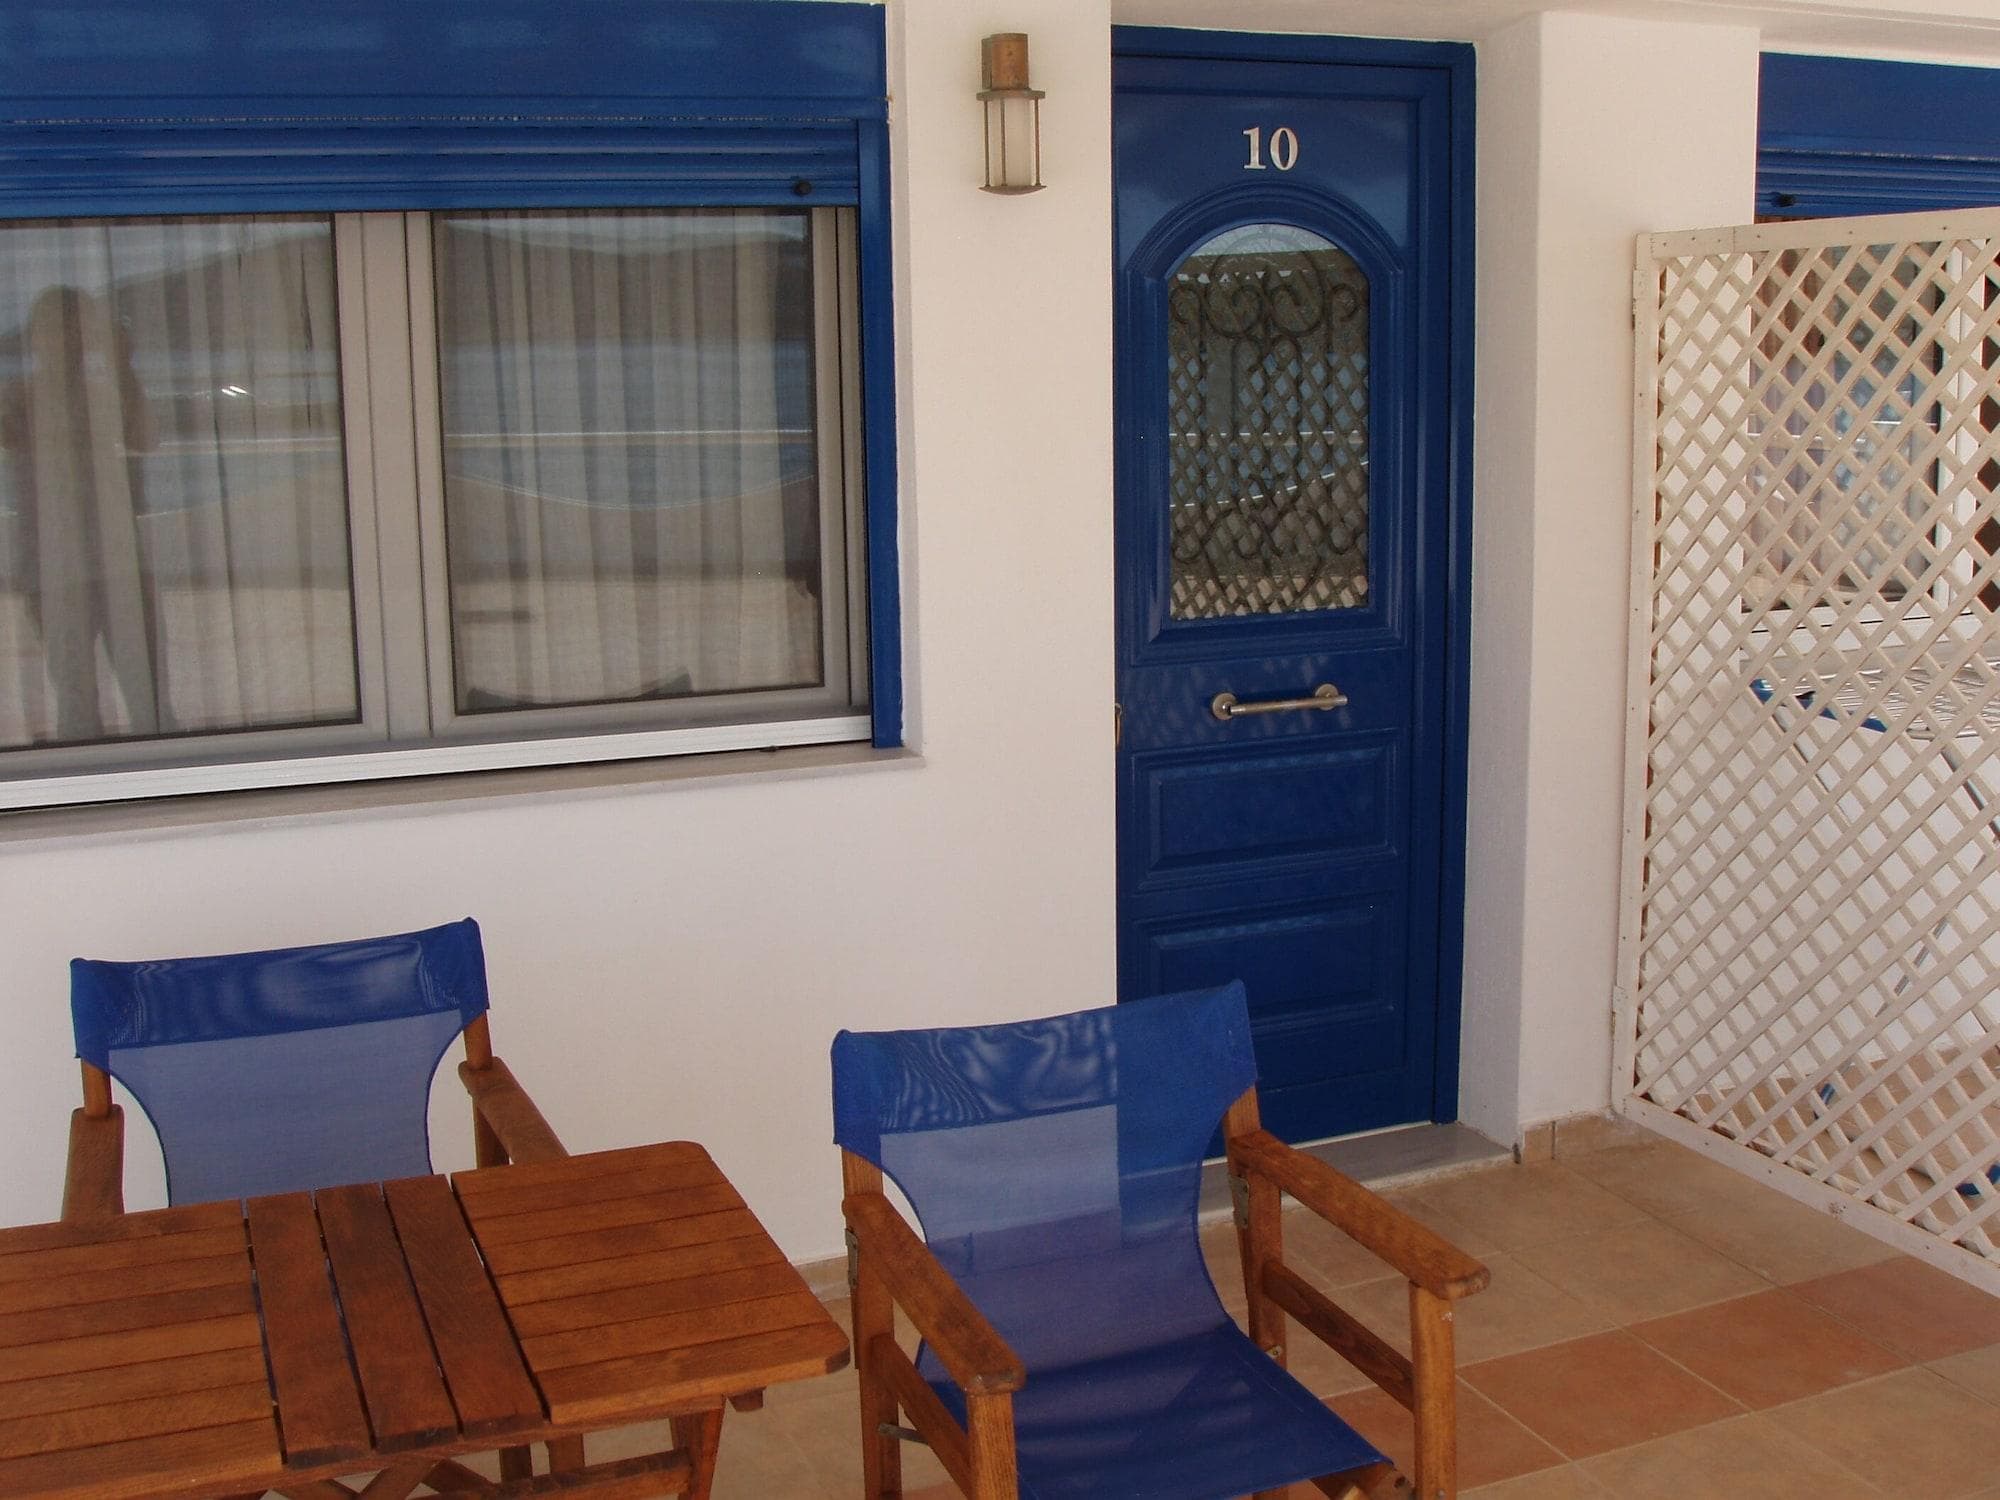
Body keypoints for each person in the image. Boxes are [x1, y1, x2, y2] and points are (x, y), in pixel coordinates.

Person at [0, 284, 162, 743]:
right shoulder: (19, 397)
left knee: (147, 694)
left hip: (118, 563)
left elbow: (147, 440)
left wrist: (124, 367)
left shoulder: (106, 392)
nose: (69, 343)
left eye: (79, 331)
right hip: (56, 569)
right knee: (76, 700)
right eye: (59, 332)